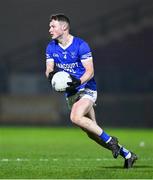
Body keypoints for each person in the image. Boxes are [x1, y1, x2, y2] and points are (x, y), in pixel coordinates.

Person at [45, 13, 137, 168]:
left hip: (87, 88)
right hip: (72, 94)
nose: (50, 29)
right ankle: (127, 154)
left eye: (53, 26)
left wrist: (78, 81)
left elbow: (90, 72)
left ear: (64, 27)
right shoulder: (51, 46)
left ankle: (111, 141)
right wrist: (52, 77)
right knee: (93, 134)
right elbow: (48, 69)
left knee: (75, 117)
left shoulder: (81, 45)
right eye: (50, 26)